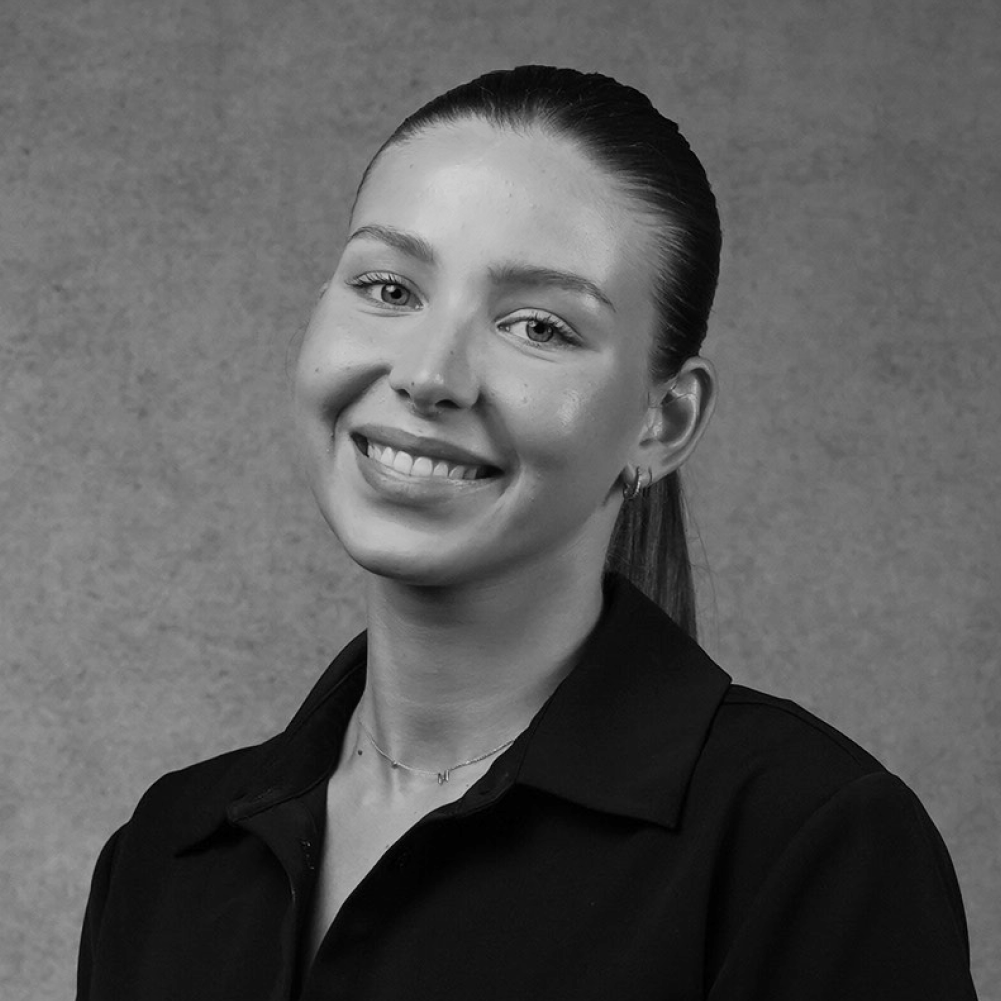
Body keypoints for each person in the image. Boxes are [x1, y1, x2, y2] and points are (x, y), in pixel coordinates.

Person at [77, 66, 979, 1000]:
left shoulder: (808, 843)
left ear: (662, 421)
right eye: (388, 287)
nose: (430, 374)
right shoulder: (164, 853)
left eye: (538, 326)